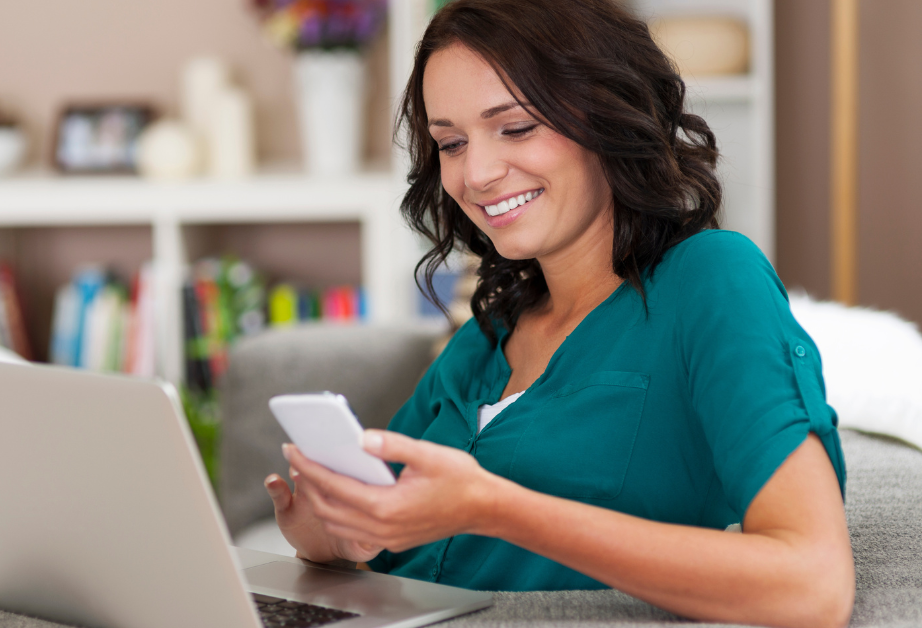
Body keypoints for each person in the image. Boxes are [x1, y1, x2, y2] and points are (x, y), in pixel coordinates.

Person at [262, 1, 854, 627]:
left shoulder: (710, 281)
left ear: (608, 114)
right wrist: (328, 537)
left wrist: (496, 507)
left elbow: (812, 585)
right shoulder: (483, 340)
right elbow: (380, 532)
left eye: (515, 128)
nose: (478, 174)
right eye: (452, 143)